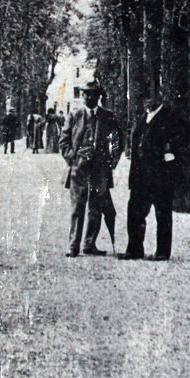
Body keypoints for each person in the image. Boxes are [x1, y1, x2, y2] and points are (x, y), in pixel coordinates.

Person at [118, 95, 186, 262]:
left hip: (160, 176)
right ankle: (134, 249)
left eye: (151, 98)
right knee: (134, 211)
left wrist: (171, 152)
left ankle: (162, 252)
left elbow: (186, 135)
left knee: (162, 214)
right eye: (146, 99)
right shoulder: (143, 117)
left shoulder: (170, 117)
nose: (147, 101)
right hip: (141, 176)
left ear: (160, 99)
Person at [59, 80, 123, 257]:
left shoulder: (108, 116)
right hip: (78, 169)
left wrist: (111, 162)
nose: (89, 97)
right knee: (77, 208)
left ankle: (89, 244)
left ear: (99, 96)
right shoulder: (74, 115)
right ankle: (73, 246)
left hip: (99, 170)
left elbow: (117, 141)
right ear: (82, 95)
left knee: (96, 207)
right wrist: (72, 158)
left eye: (93, 94)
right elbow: (63, 141)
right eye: (86, 94)